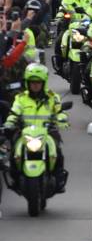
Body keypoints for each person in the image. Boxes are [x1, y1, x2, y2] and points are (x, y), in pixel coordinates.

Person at [5, 63, 69, 192]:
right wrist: (9, 124)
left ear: (43, 82)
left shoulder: (52, 97)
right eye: (32, 82)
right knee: (13, 153)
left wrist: (62, 119)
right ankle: (15, 178)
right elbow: (14, 112)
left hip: (47, 133)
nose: (35, 85)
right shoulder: (21, 98)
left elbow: (60, 111)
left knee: (58, 152)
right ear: (28, 82)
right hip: (24, 133)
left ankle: (58, 179)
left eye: (38, 82)